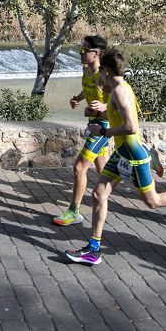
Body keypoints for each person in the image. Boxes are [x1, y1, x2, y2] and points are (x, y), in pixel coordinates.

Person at [66, 48, 166, 265]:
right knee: (99, 194)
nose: (99, 77)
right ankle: (93, 249)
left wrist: (105, 132)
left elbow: (131, 127)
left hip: (133, 154)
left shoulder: (119, 91)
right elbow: (116, 113)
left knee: (152, 201)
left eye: (101, 73)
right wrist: (99, 114)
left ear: (106, 71)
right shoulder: (117, 89)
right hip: (121, 153)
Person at [54, 36, 111, 226]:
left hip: (104, 127)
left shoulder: (106, 76)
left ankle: (73, 211)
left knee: (79, 168)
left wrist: (103, 107)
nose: (80, 53)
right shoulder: (86, 72)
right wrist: (78, 99)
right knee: (103, 169)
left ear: (97, 53)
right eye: (80, 50)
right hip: (93, 123)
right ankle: (142, 164)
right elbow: (87, 90)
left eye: (84, 50)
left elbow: (121, 104)